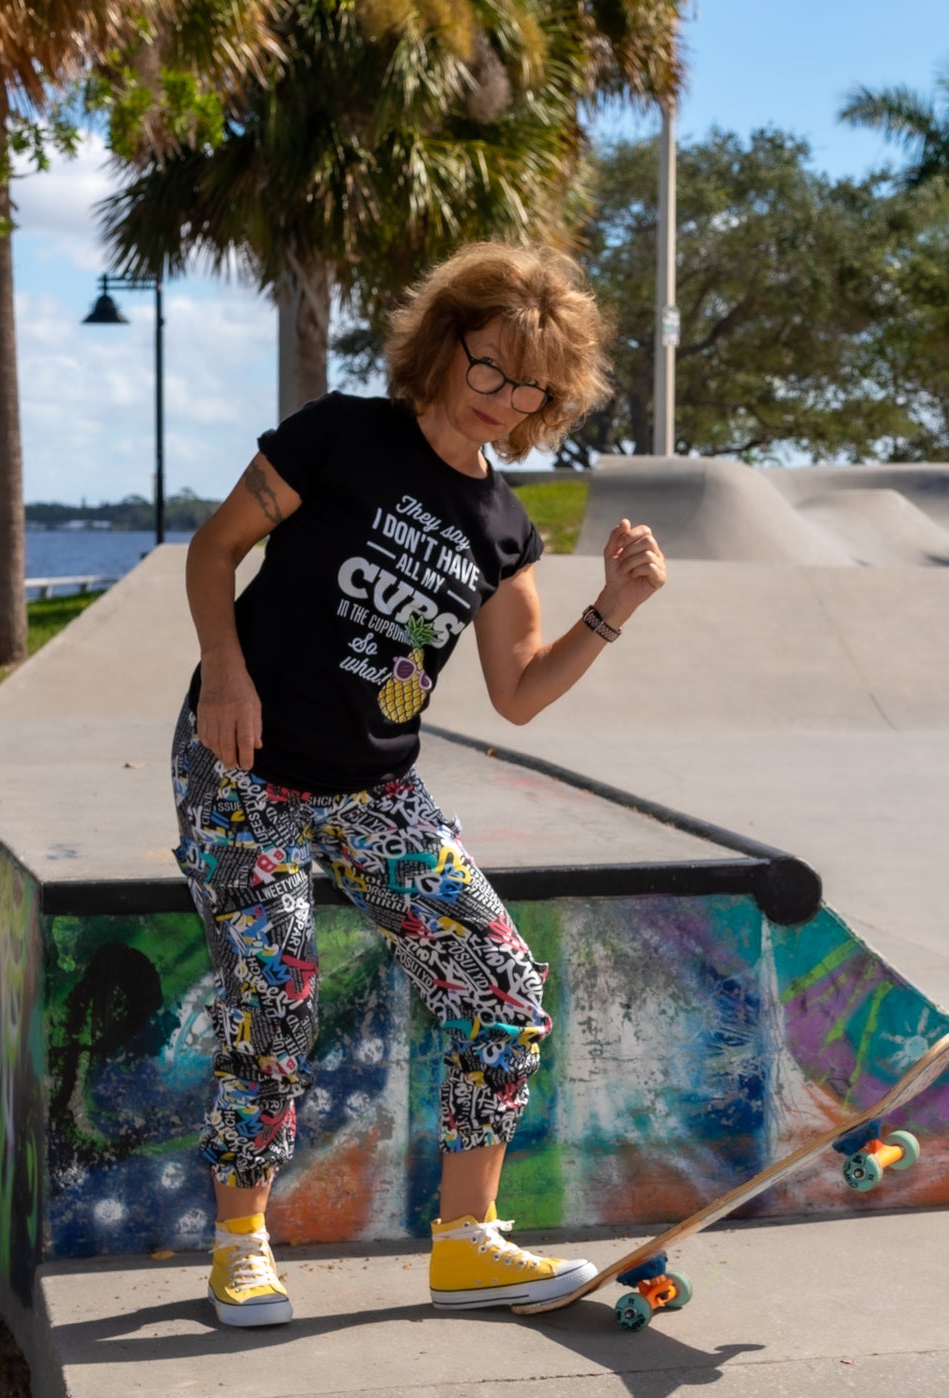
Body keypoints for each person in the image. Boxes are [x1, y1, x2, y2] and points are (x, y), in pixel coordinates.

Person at [175, 242, 667, 1327]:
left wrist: (614, 608)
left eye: (531, 386)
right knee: (275, 995)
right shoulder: (341, 435)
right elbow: (214, 551)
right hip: (245, 760)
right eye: (489, 368)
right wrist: (224, 668)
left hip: (372, 788)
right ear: (446, 347)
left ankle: (467, 1243)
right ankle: (242, 1243)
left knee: (500, 983)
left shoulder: (503, 532)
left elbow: (519, 693)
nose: (504, 399)